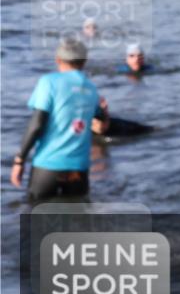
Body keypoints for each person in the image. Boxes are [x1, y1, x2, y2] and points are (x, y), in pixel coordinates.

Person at [9, 38, 109, 202]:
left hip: (48, 166)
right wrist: (104, 113)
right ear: (84, 61)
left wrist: (20, 160)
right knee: (76, 215)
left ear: (58, 60)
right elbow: (102, 123)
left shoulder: (49, 82)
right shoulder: (92, 89)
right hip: (79, 169)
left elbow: (37, 124)